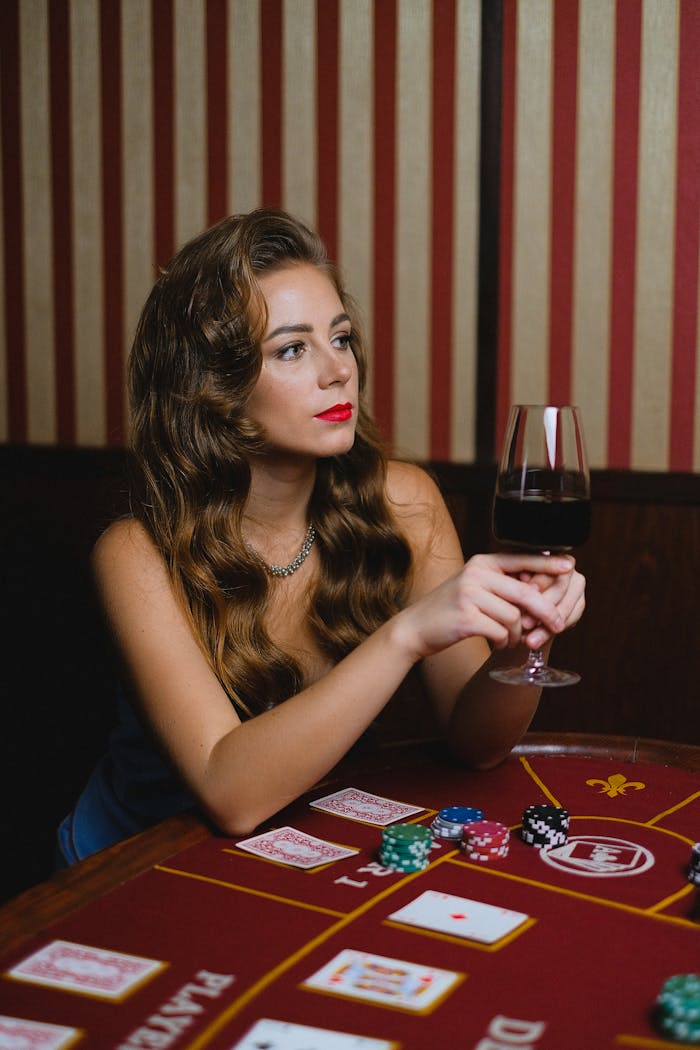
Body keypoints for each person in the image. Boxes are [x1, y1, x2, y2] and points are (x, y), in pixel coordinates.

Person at [57, 208, 585, 863]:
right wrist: (408, 633)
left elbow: (478, 744)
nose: (338, 371)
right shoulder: (137, 552)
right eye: (291, 349)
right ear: (214, 387)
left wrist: (519, 646)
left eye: (340, 338)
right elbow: (231, 793)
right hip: (136, 862)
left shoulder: (404, 501)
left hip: (302, 847)